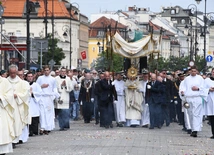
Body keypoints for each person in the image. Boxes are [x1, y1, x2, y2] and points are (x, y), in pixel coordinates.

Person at [179, 66, 208, 137]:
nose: (193, 72)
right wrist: (182, 92)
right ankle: (192, 128)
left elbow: (204, 88)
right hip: (189, 98)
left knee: (196, 114)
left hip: (197, 98)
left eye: (195, 71)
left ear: (197, 71)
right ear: (190, 71)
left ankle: (196, 130)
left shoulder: (200, 79)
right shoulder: (186, 79)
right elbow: (183, 87)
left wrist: (198, 88)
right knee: (190, 114)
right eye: (192, 71)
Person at [7, 65, 30, 147]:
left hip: (17, 106)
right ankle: (9, 140)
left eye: (14, 73)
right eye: (11, 73)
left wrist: (17, 95)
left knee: (16, 123)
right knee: (8, 123)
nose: (13, 75)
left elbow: (26, 94)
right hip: (7, 106)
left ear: (16, 72)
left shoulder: (22, 83)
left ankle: (14, 140)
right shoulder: (5, 82)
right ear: (9, 72)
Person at [36, 66, 59, 135]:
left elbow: (54, 89)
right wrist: (41, 87)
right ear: (43, 71)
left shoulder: (53, 79)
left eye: (47, 70)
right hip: (42, 97)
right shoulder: (40, 78)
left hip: (49, 98)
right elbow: (36, 87)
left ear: (50, 71)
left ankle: (48, 128)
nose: (46, 71)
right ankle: (42, 128)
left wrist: (54, 96)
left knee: (49, 113)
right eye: (45, 70)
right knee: (42, 113)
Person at [0, 76, 15, 155]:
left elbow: (10, 95)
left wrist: (1, 98)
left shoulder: (4, 81)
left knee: (2, 132)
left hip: (2, 109)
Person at [26, 72, 42, 136]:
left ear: (33, 77)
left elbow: (40, 93)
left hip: (34, 103)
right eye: (28, 76)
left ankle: (35, 131)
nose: (30, 78)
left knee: (34, 118)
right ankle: (29, 131)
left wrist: (33, 93)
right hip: (28, 103)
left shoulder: (36, 85)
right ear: (26, 77)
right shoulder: (25, 84)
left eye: (31, 76)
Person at [204, 68, 214, 139]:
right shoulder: (207, 81)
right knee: (212, 119)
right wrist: (208, 89)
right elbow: (202, 89)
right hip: (210, 100)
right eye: (213, 72)